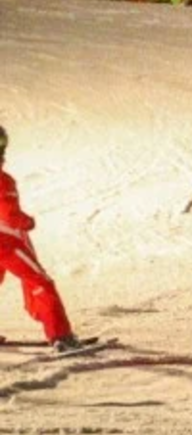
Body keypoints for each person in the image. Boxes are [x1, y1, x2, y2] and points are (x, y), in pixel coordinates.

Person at [0, 126, 86, 353]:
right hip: (5, 243)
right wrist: (27, 222)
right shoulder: (2, 180)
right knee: (40, 282)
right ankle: (61, 336)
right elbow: (10, 216)